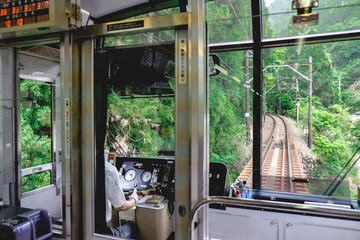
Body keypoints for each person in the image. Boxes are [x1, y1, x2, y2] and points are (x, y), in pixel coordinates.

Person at [105, 160, 139, 238]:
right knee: (132, 227)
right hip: (98, 230)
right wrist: (134, 199)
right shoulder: (108, 170)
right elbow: (121, 206)